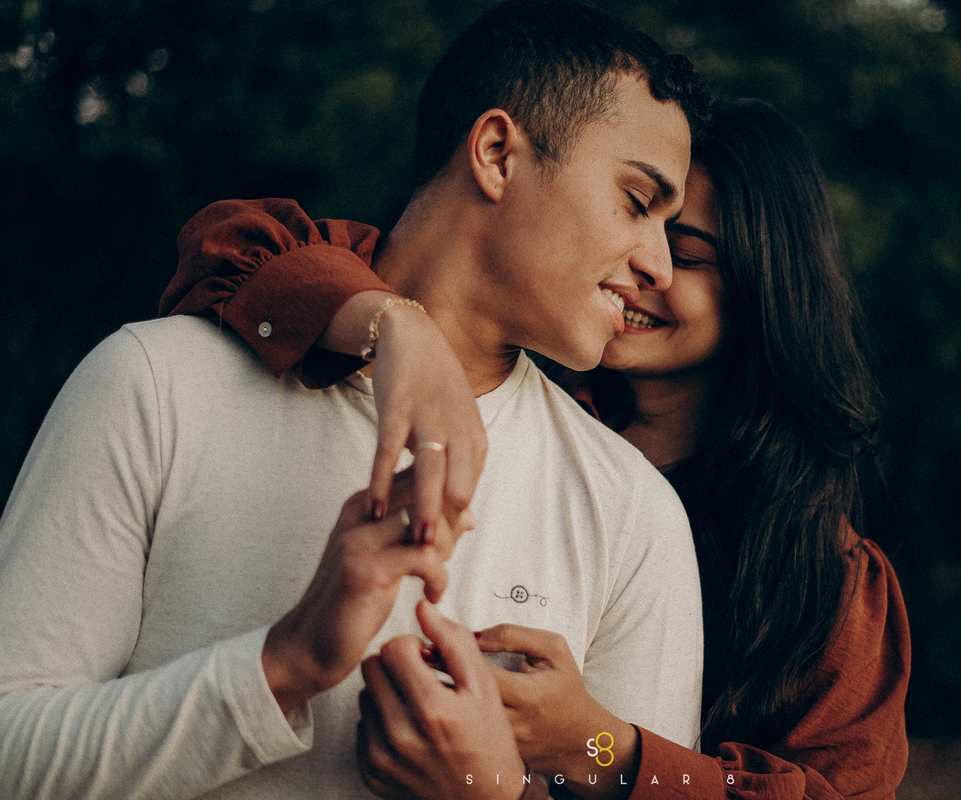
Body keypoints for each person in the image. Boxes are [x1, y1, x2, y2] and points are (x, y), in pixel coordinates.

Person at [0, 2, 713, 798]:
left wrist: (486, 789)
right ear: (497, 154)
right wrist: (285, 665)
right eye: (637, 200)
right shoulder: (155, 384)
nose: (660, 265)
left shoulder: (632, 515)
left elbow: (611, 776)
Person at [167, 99, 910, 799]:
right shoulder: (517, 411)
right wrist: (399, 328)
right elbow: (240, 246)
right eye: (629, 222)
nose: (642, 265)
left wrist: (598, 749)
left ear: (767, 286)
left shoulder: (823, 577)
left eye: (682, 252)